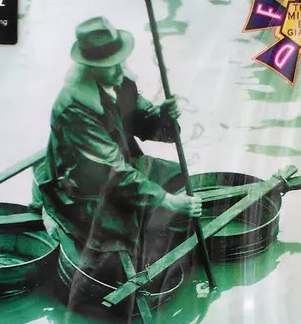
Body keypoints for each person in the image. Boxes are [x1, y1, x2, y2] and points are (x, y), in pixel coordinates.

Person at [34, 16, 201, 299]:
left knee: (177, 176)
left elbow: (145, 124)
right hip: (80, 187)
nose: (118, 70)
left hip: (117, 167)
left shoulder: (121, 81)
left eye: (120, 61)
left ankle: (155, 237)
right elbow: (112, 172)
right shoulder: (73, 108)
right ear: (90, 68)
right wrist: (166, 200)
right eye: (109, 65)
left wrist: (164, 117)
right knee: (121, 232)